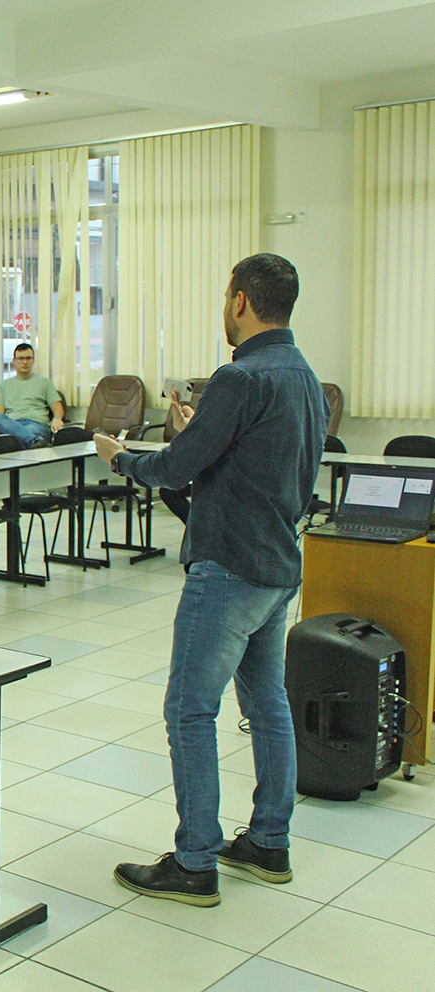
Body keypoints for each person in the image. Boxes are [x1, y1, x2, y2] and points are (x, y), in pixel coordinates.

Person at [98, 254, 327, 907]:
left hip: (228, 566)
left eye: (224, 297)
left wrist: (123, 459)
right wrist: (200, 434)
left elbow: (175, 469)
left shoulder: (238, 376)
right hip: (277, 565)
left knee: (188, 709)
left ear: (240, 302)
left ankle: (195, 860)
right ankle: (266, 842)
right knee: (266, 705)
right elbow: (256, 461)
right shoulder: (303, 376)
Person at [0, 343, 65, 447]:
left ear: (33, 360)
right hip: (12, 424)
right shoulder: (5, 385)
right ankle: (34, 441)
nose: (25, 362)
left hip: (36, 424)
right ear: (14, 361)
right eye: (21, 358)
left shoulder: (45, 382)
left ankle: (31, 440)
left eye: (28, 358)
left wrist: (57, 418)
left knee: (19, 439)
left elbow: (58, 408)